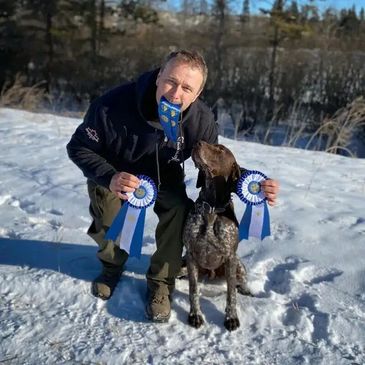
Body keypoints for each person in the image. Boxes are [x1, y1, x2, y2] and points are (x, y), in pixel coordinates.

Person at [66, 50, 279, 323]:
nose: (176, 93)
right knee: (108, 213)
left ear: (198, 93)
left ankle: (161, 282)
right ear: (158, 77)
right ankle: (111, 267)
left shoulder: (201, 121)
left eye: (187, 87)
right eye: (171, 81)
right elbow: (79, 147)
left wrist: (253, 185)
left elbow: (218, 167)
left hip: (164, 177)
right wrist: (109, 176)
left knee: (179, 209)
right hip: (115, 175)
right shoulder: (111, 105)